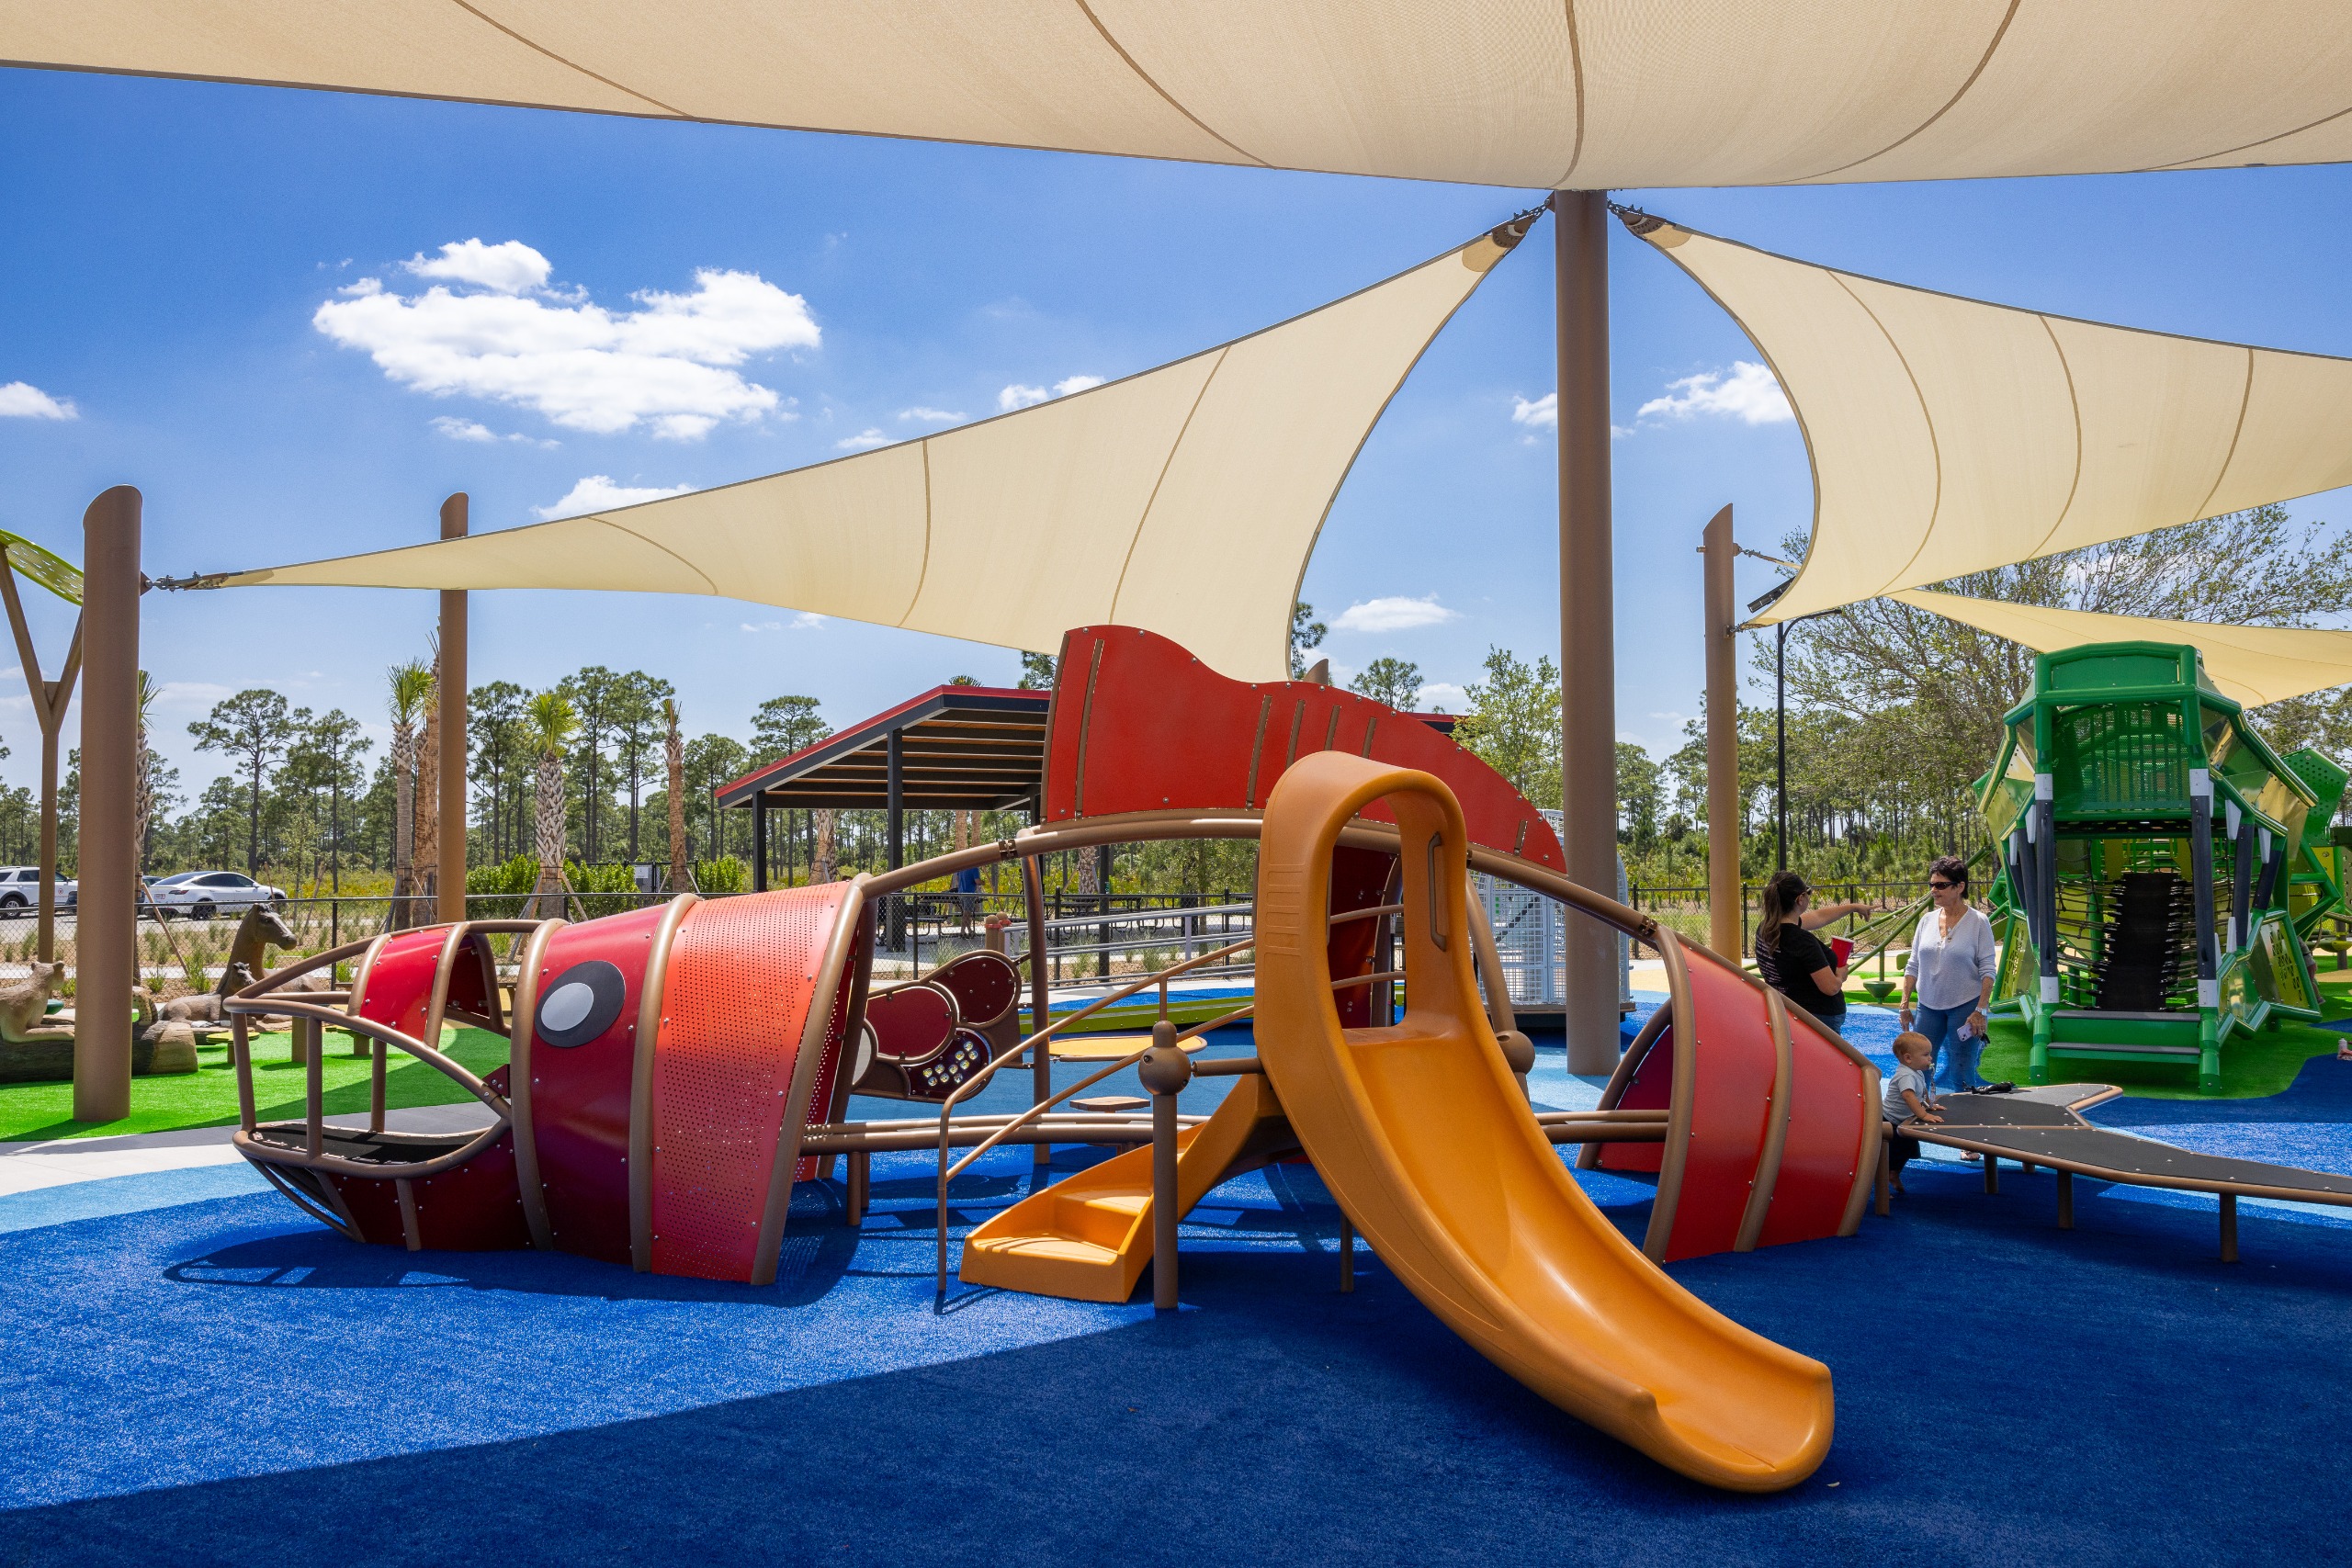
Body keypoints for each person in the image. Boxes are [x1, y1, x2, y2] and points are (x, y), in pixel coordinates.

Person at [1900, 853, 1998, 1093]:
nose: (1934, 890)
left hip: (1965, 1007)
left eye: (1941, 885)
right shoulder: (1926, 921)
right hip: (1928, 1006)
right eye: (1932, 884)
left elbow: (1988, 969)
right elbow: (1913, 965)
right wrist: (1904, 1005)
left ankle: (1967, 1124)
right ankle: (1918, 1115)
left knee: (1961, 1071)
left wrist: (1980, 1010)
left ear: (1960, 887)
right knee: (1917, 1067)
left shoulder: (1978, 921)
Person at [1754, 870, 1878, 1028]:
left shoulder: (1766, 930)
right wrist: (1840, 975)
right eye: (1808, 893)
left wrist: (1854, 907)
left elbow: (1819, 917)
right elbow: (1830, 988)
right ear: (1800, 899)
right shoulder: (1802, 941)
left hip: (1787, 1010)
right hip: (1817, 1018)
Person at [1881, 1030, 1943, 1194]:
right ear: (1908, 1058)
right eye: (1926, 1054)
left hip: (1904, 1119)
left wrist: (1929, 1105)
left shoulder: (1916, 1071)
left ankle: (1893, 1173)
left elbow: (1920, 1092)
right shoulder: (1905, 1075)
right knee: (1891, 1153)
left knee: (1908, 1149)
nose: (1930, 1058)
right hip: (1891, 1121)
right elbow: (1908, 1095)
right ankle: (1884, 1180)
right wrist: (1923, 1115)